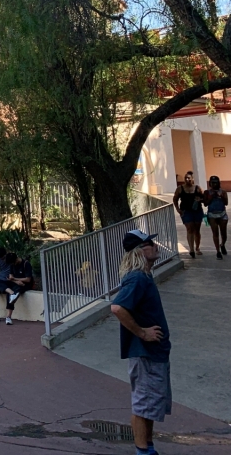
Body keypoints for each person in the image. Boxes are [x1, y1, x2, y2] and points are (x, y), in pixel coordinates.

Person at [110, 230, 171, 455]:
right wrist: (142, 333)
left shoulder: (144, 277)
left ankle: (148, 447)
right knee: (143, 404)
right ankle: (143, 451)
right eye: (150, 243)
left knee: (150, 405)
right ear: (140, 251)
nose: (156, 246)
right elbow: (117, 308)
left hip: (154, 353)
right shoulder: (137, 278)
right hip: (145, 353)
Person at [174, 171, 204, 258]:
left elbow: (204, 198)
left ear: (192, 179)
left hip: (197, 210)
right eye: (186, 178)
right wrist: (178, 209)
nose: (187, 180)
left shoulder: (198, 188)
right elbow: (175, 199)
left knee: (197, 230)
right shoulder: (180, 188)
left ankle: (197, 247)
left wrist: (200, 200)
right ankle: (191, 249)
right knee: (190, 228)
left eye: (189, 178)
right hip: (186, 211)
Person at [2, 252, 34, 325]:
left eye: (13, 263)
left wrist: (15, 279)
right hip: (16, 282)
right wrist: (16, 281)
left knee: (14, 290)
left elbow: (28, 279)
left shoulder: (26, 264)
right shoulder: (12, 265)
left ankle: (8, 316)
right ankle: (13, 294)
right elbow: (10, 276)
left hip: (25, 284)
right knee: (3, 284)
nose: (12, 265)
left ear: (16, 260)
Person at [204, 175, 228, 259]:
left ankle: (222, 244)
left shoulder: (223, 191)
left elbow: (226, 203)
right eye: (212, 183)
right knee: (215, 233)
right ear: (210, 183)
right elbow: (205, 203)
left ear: (218, 183)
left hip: (222, 214)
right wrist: (210, 198)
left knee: (224, 234)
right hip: (212, 214)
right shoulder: (207, 192)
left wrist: (221, 196)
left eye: (216, 183)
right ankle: (218, 251)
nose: (214, 184)